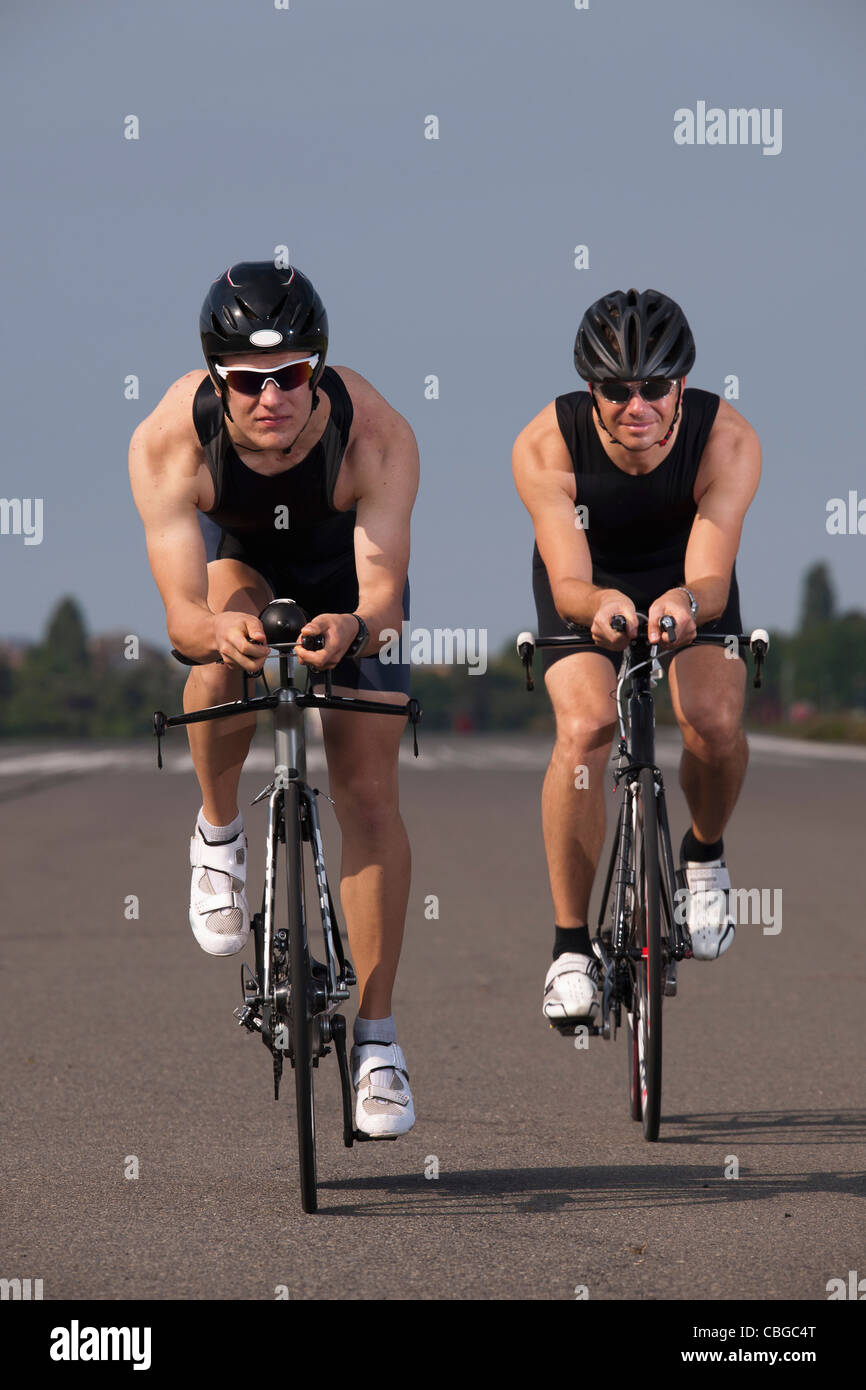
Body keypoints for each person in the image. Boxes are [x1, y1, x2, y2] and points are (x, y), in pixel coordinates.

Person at [129, 260, 419, 1135]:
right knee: (221, 657)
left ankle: (378, 1042)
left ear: (318, 370)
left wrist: (356, 633)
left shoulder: (375, 434)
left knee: (368, 791)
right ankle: (218, 838)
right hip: (239, 563)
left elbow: (386, 600)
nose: (271, 397)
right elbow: (181, 615)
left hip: (346, 578)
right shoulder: (170, 439)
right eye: (249, 381)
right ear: (218, 380)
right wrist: (220, 631)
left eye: (292, 374)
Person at [512, 288, 761, 1025]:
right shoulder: (545, 444)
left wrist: (683, 603)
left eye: (654, 387)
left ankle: (704, 854)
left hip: (688, 580)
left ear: (681, 383)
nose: (636, 405)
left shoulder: (729, 439)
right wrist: (601, 608)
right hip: (589, 582)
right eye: (616, 390)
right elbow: (567, 580)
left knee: (713, 722)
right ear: (591, 389)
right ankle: (568, 947)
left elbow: (711, 577)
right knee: (587, 728)